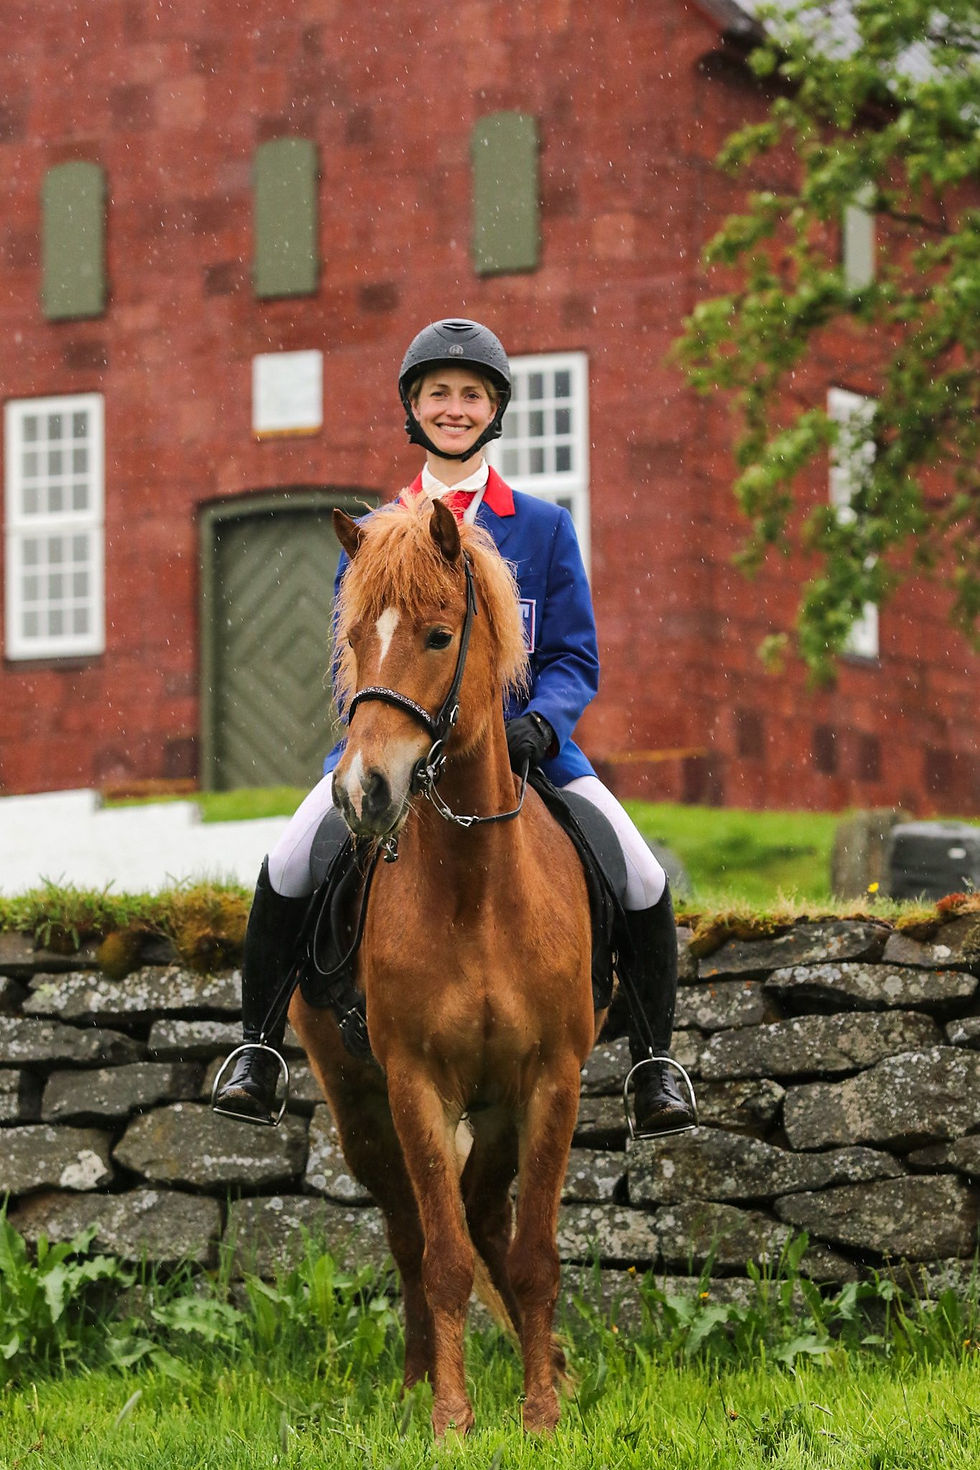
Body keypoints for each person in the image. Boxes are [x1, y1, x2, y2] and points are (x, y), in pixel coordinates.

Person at [213, 318, 697, 1138]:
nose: (455, 407)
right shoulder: (372, 534)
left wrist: (543, 724)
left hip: (528, 757)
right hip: (399, 751)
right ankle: (258, 1050)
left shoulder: (541, 527)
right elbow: (361, 660)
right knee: (291, 859)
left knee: (643, 876)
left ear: (495, 409)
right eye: (439, 393)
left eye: (471, 394)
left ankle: (655, 1065)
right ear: (414, 406)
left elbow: (575, 655)